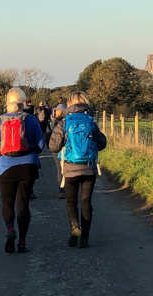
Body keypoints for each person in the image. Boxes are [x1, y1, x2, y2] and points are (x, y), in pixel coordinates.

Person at [0, 87, 45, 253]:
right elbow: (41, 146)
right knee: (23, 204)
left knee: (7, 202)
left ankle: (10, 230)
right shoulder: (31, 120)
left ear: (7, 103)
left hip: (6, 167)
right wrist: (30, 149)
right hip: (28, 167)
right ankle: (23, 242)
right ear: (23, 102)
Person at [48, 91, 106, 248]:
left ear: (69, 104)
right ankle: (85, 238)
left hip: (70, 168)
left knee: (71, 201)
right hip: (88, 168)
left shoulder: (64, 122)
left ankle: (74, 227)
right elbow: (102, 144)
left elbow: (53, 146)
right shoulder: (91, 121)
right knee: (86, 202)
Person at [46, 104, 66, 199]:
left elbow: (48, 135)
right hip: (67, 149)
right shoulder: (68, 121)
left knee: (59, 170)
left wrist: (50, 147)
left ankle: (61, 189)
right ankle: (69, 189)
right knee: (67, 169)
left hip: (56, 149)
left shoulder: (53, 122)